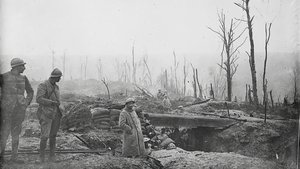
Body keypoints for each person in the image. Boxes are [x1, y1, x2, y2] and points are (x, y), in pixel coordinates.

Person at [0, 58, 34, 164]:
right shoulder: (3, 77)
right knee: (4, 134)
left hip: (19, 111)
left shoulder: (24, 78)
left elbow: (30, 91)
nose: (24, 68)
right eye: (22, 66)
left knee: (16, 134)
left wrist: (26, 102)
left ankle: (14, 157)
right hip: (6, 111)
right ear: (16, 67)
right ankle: (1, 157)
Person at [36, 68, 63, 162]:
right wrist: (52, 102)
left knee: (53, 135)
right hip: (46, 113)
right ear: (55, 77)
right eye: (59, 77)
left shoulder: (56, 87)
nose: (60, 79)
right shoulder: (43, 85)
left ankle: (52, 156)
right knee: (44, 136)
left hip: (56, 114)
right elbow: (39, 99)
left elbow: (58, 101)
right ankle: (41, 157)